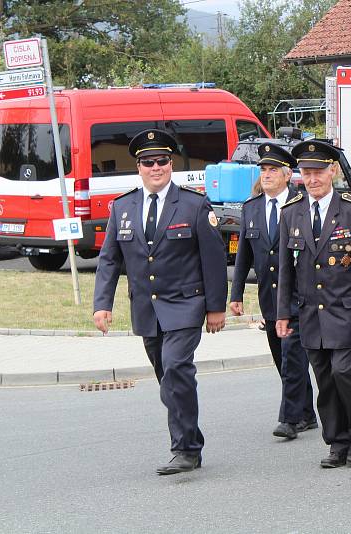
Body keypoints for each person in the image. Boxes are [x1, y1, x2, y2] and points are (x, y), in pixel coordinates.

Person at [93, 129, 227, 475]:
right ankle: (190, 437)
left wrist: (216, 308)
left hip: (186, 304)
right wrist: (102, 304)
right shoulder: (123, 207)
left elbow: (213, 260)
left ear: (172, 164)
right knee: (167, 376)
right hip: (147, 310)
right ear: (138, 167)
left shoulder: (194, 204)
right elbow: (109, 259)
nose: (157, 167)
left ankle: (185, 449)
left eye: (163, 161)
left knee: (176, 366)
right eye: (148, 162)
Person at [276, 140, 351, 468]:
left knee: (345, 371)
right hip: (310, 314)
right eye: (306, 173)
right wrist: (283, 313)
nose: (312, 179)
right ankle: (336, 441)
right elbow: (286, 269)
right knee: (325, 379)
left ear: (333, 171)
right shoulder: (291, 213)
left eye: (319, 172)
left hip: (348, 310)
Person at [229, 142, 317, 440]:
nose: (266, 175)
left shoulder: (302, 204)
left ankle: (289, 419)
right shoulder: (251, 208)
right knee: (283, 360)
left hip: (298, 297)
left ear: (287, 174)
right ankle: (306, 413)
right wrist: (236, 294)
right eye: (263, 170)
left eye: (272, 170)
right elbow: (244, 255)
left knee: (293, 357)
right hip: (270, 299)